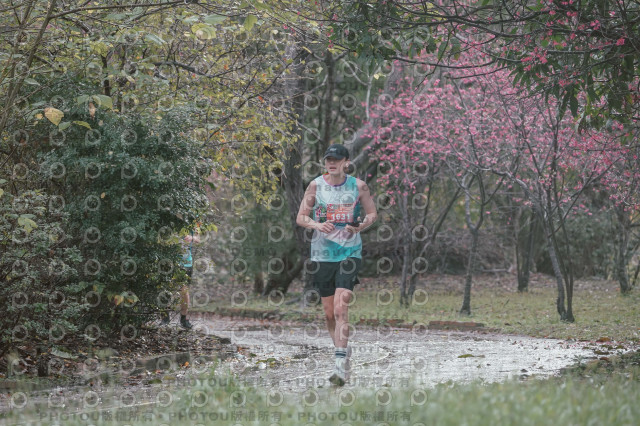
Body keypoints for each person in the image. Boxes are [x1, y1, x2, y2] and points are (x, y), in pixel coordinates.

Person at [296, 144, 378, 386]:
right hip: (322, 255)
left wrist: (360, 226)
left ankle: (339, 366)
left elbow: (372, 214)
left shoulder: (358, 186)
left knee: (342, 307)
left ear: (346, 162)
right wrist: (317, 225)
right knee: (330, 314)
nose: (332, 163)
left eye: (337, 159)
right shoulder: (315, 186)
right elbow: (301, 217)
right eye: (328, 159)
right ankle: (343, 351)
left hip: (349, 252)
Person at [161, 228, 200, 329]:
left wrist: (192, 238)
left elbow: (198, 239)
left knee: (184, 290)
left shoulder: (192, 221)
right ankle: (165, 318)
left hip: (186, 263)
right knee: (166, 288)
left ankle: (184, 319)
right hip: (169, 261)